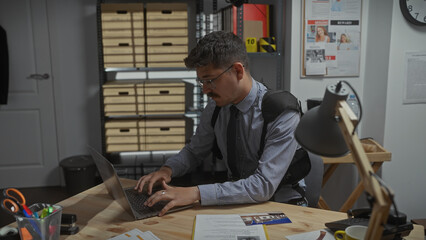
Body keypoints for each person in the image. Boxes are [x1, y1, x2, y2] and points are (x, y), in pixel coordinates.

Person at [134, 31, 305, 216]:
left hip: (282, 206)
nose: (206, 89)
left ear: (238, 71)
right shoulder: (216, 107)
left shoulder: (281, 113)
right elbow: (194, 151)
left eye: (210, 80)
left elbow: (262, 186)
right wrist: (168, 170)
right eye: (202, 81)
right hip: (236, 201)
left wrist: (195, 193)